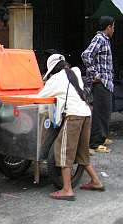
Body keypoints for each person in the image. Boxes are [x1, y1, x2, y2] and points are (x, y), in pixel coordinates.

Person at [39, 54, 105, 201]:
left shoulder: (55, 79)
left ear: (52, 69)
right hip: (86, 114)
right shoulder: (74, 72)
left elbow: (41, 97)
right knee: (81, 151)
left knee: (63, 150)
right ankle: (96, 181)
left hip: (74, 116)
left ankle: (67, 189)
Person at [81, 16, 115, 153]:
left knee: (105, 111)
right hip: (101, 82)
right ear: (108, 27)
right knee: (101, 112)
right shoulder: (100, 39)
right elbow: (86, 55)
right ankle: (95, 143)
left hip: (106, 82)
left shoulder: (104, 40)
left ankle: (102, 137)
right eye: (113, 26)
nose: (114, 29)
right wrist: (96, 75)